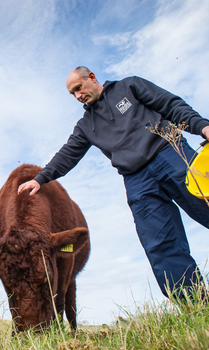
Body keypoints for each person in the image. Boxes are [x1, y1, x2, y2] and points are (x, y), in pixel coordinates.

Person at [18, 66, 209, 298]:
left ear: (91, 77)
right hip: (136, 180)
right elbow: (68, 154)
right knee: (159, 242)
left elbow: (170, 104)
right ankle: (194, 304)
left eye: (78, 88)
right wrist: (41, 179)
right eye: (72, 94)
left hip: (169, 153)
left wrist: (202, 126)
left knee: (206, 203)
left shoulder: (130, 86)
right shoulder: (86, 125)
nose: (78, 96)